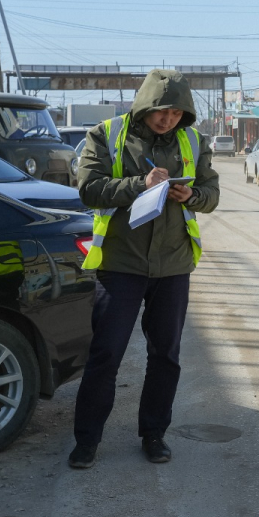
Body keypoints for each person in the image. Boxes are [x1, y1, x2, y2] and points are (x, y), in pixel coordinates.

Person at [68, 69, 220, 469]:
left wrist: (193, 195)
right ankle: (86, 440)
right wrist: (139, 184)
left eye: (175, 112)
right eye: (160, 111)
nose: (167, 119)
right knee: (106, 354)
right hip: (121, 263)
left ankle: (154, 434)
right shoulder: (106, 134)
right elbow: (88, 189)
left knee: (165, 355)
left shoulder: (193, 140)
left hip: (172, 264)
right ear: (144, 105)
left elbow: (212, 193)